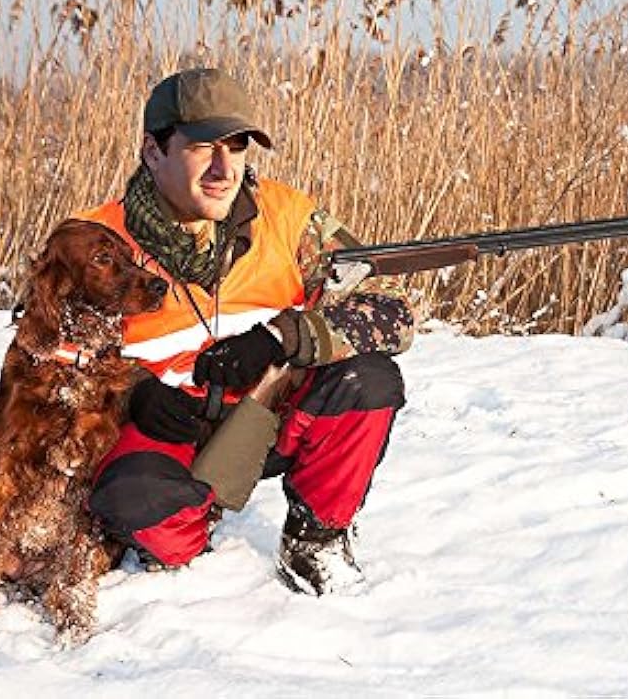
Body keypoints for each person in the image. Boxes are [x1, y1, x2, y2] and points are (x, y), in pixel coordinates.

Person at [76, 67, 415, 595]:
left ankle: (315, 539)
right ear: (153, 150)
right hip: (166, 433)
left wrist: (283, 337)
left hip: (268, 417)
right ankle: (190, 527)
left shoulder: (289, 217)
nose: (223, 168)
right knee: (136, 504)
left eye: (237, 148)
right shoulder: (93, 240)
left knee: (367, 379)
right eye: (202, 147)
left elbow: (390, 311)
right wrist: (132, 389)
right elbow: (46, 350)